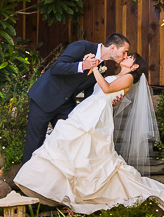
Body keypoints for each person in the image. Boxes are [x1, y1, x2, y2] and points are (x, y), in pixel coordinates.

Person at [14, 52, 164, 215]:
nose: (126, 57)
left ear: (134, 67)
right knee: (68, 148)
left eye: (130, 57)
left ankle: (77, 190)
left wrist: (95, 68)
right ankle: (44, 185)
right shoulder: (119, 76)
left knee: (80, 148)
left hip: (95, 116)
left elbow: (106, 88)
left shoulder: (128, 78)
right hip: (88, 111)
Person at [22, 33, 130, 164]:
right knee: (34, 144)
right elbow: (56, 67)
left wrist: (110, 100)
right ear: (112, 48)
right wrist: (82, 66)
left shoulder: (102, 68)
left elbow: (92, 96)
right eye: (124, 52)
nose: (125, 56)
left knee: (69, 142)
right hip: (45, 98)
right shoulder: (82, 46)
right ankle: (26, 182)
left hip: (66, 104)